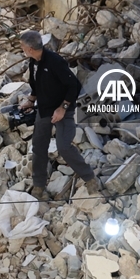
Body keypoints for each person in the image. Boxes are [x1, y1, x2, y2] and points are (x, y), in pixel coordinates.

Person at [19, 30, 101, 198]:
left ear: (29, 48)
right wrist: (31, 100)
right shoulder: (33, 62)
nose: (21, 49)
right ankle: (38, 185)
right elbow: (36, 85)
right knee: (39, 147)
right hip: (44, 110)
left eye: (22, 46)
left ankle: (89, 178)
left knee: (64, 147)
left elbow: (74, 86)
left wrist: (62, 108)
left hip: (64, 109)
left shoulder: (55, 62)